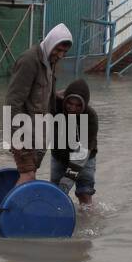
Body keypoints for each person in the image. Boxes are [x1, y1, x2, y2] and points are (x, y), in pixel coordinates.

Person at [5, 23, 73, 185]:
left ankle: (13, 206)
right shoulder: (29, 60)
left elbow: (41, 95)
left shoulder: (50, 61)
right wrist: (17, 137)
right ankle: (5, 210)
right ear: (50, 43)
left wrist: (59, 97)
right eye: (58, 49)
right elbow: (12, 102)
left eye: (64, 52)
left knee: (29, 174)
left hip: (40, 132)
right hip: (24, 132)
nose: (61, 55)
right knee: (28, 176)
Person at [50, 78, 98, 208]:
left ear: (84, 105)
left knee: (84, 193)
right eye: (69, 103)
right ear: (65, 101)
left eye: (78, 105)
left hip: (85, 158)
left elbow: (82, 153)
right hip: (59, 156)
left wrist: (66, 184)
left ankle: (88, 222)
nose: (72, 108)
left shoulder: (90, 116)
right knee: (53, 193)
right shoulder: (55, 106)